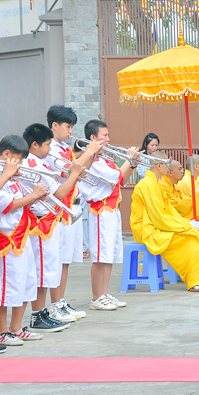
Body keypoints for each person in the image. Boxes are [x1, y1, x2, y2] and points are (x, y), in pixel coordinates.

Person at [21, 124, 85, 334]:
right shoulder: (33, 164)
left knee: (47, 270)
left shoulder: (38, 162)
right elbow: (58, 194)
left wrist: (68, 173)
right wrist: (74, 174)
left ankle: (41, 312)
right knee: (42, 271)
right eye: (47, 144)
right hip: (41, 223)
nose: (50, 149)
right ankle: (37, 315)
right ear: (35, 145)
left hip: (48, 221)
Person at [130, 152, 199, 292]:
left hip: (158, 225)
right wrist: (185, 225)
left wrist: (185, 223)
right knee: (189, 239)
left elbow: (169, 211)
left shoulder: (156, 183)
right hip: (147, 229)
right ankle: (195, 281)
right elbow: (158, 216)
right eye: (167, 164)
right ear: (159, 166)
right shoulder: (146, 184)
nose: (168, 167)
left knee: (194, 234)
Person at [78, 119, 138, 311]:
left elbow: (121, 180)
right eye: (104, 135)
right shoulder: (93, 161)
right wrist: (128, 159)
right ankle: (97, 297)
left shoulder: (105, 159)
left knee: (109, 254)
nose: (108, 139)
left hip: (112, 209)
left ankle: (103, 294)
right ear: (93, 137)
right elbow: (115, 176)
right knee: (100, 256)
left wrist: (132, 164)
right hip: (100, 210)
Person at [0, 136, 48, 346]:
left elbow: (20, 203)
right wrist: (33, 195)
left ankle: (16, 328)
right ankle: (2, 331)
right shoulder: (3, 175)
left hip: (22, 236)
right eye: (18, 159)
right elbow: (8, 205)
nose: (20, 164)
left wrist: (36, 197)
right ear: (7, 154)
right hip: (7, 240)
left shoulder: (12, 178)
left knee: (26, 283)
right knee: (6, 287)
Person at [47, 105, 92, 320]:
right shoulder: (51, 149)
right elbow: (68, 171)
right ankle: (55, 305)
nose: (71, 131)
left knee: (65, 260)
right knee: (57, 260)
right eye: (68, 126)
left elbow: (79, 171)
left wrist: (91, 155)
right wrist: (89, 152)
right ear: (55, 125)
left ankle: (60, 301)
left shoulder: (64, 148)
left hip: (72, 205)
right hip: (59, 208)